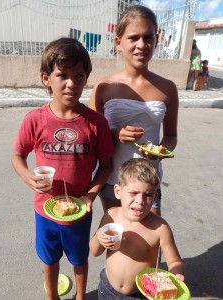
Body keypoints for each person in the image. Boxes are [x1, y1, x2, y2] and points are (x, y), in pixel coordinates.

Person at [11, 37, 114, 300]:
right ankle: (53, 296)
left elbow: (106, 165)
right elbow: (17, 155)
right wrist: (28, 177)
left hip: (79, 210)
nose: (72, 83)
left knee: (79, 259)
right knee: (49, 259)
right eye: (62, 75)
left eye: (79, 76)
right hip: (44, 209)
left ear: (86, 77)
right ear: (46, 78)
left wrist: (90, 195)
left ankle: (80, 296)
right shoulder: (34, 120)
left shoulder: (96, 123)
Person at [89, 5, 178, 216]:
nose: (141, 45)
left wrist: (159, 152)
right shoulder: (104, 86)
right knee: (118, 239)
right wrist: (114, 134)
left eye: (148, 37)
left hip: (149, 182)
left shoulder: (167, 88)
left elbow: (171, 136)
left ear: (156, 40)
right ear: (118, 42)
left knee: (150, 242)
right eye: (133, 38)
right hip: (113, 180)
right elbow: (91, 135)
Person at [90, 158, 185, 300]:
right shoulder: (111, 216)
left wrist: (177, 274)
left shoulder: (160, 228)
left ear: (155, 197)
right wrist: (98, 237)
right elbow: (95, 251)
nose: (140, 201)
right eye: (133, 193)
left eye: (148, 195)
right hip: (107, 288)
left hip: (141, 293)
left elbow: (175, 261)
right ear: (118, 191)